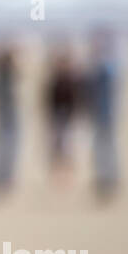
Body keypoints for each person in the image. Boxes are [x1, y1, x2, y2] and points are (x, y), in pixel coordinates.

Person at [87, 26, 126, 202]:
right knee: (98, 148)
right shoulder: (95, 68)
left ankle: (110, 178)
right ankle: (102, 179)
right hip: (96, 115)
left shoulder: (110, 66)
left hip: (108, 115)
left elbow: (115, 73)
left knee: (109, 147)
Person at [43, 39, 85, 184]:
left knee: (69, 148)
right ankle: (57, 175)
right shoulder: (54, 79)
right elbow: (47, 100)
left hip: (70, 117)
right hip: (57, 117)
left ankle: (68, 176)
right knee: (56, 148)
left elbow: (80, 99)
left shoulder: (74, 79)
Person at [0, 40, 20, 194]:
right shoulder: (3, 76)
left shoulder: (6, 75)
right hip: (7, 117)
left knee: (6, 148)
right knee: (5, 148)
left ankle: (3, 179)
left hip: (6, 116)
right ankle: (1, 179)